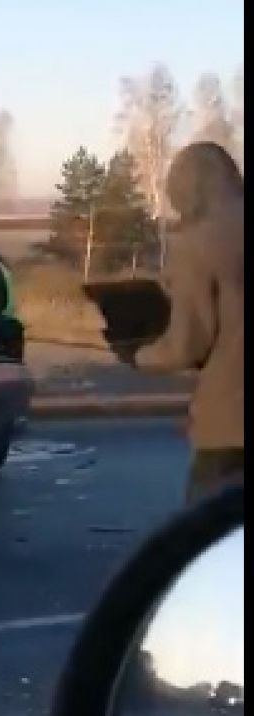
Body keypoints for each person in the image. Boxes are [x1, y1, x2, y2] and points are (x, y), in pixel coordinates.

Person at [129, 142, 244, 505]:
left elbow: (187, 344)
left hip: (230, 428)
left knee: (210, 541)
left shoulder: (196, 243)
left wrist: (138, 354)